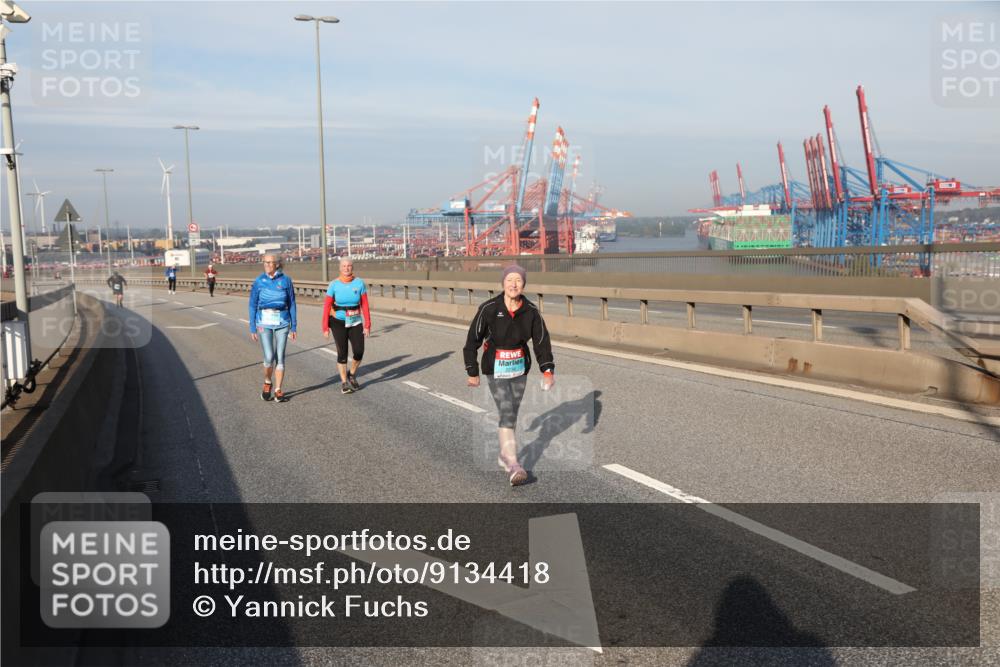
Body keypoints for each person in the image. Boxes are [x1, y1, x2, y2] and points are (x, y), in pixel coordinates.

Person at [464, 264, 554, 486]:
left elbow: (542, 342)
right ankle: (514, 464)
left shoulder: (531, 311)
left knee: (512, 411)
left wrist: (547, 370)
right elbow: (471, 341)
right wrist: (472, 370)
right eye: (509, 280)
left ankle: (504, 454)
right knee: (506, 410)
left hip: (519, 368)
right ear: (503, 283)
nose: (514, 284)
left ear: (523, 284)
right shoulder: (490, 309)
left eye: (518, 281)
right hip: (495, 368)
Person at [248, 254, 297, 402]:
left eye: (271, 262)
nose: (268, 265)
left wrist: (294, 326)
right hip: (264, 322)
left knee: (280, 357)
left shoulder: (286, 280)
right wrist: (252, 327)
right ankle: (268, 381)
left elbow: (292, 303)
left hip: (282, 321)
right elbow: (252, 304)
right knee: (269, 357)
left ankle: (278, 390)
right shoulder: (259, 281)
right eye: (265, 262)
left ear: (277, 264)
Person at [322, 257, 371, 394]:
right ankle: (344, 382)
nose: (346, 268)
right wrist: (325, 327)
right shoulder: (334, 284)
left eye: (349, 266)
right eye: (344, 266)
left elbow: (365, 305)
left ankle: (352, 373)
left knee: (359, 351)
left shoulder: (359, 283)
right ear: (340, 268)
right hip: (338, 321)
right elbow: (326, 307)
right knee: (342, 353)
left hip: (355, 320)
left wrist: (367, 324)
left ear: (352, 267)